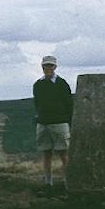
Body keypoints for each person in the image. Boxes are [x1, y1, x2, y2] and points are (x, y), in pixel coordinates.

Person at [32, 55, 73, 188]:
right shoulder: (38, 84)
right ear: (42, 67)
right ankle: (48, 182)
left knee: (64, 153)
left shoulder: (62, 84)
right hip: (43, 122)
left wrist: (68, 121)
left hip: (59, 122)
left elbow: (69, 103)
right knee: (46, 152)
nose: (48, 68)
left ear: (55, 67)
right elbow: (37, 103)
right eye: (46, 66)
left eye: (50, 65)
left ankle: (68, 181)